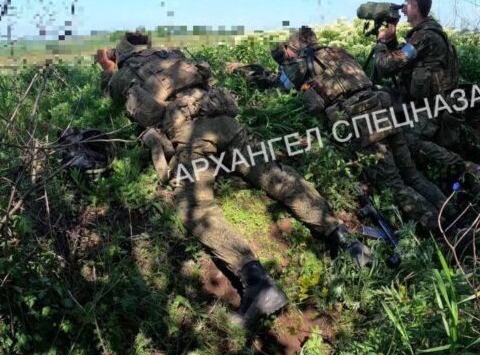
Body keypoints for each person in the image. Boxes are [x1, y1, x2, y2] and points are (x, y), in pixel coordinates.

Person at [95, 32, 370, 325]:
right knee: (275, 174)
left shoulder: (125, 73)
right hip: (226, 122)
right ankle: (346, 241)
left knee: (195, 208)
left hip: (192, 137)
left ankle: (258, 284)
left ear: (120, 55)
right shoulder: (170, 56)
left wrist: (108, 70)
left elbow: (111, 99)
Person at [233, 26, 455, 232]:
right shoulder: (338, 51)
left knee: (393, 183)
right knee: (412, 174)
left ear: (294, 48)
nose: (287, 56)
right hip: (382, 107)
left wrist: (248, 73)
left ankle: (444, 228)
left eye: (287, 51)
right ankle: (455, 214)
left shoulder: (302, 62)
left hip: (361, 120)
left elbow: (279, 89)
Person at [373, 0, 480, 191]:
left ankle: (467, 168)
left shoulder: (425, 36)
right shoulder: (425, 33)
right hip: (423, 101)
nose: (403, 9)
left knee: (407, 139)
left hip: (432, 107)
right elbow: (401, 61)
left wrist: (381, 43)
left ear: (415, 7)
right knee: (378, 95)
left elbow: (386, 66)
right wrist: (391, 39)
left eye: (406, 4)